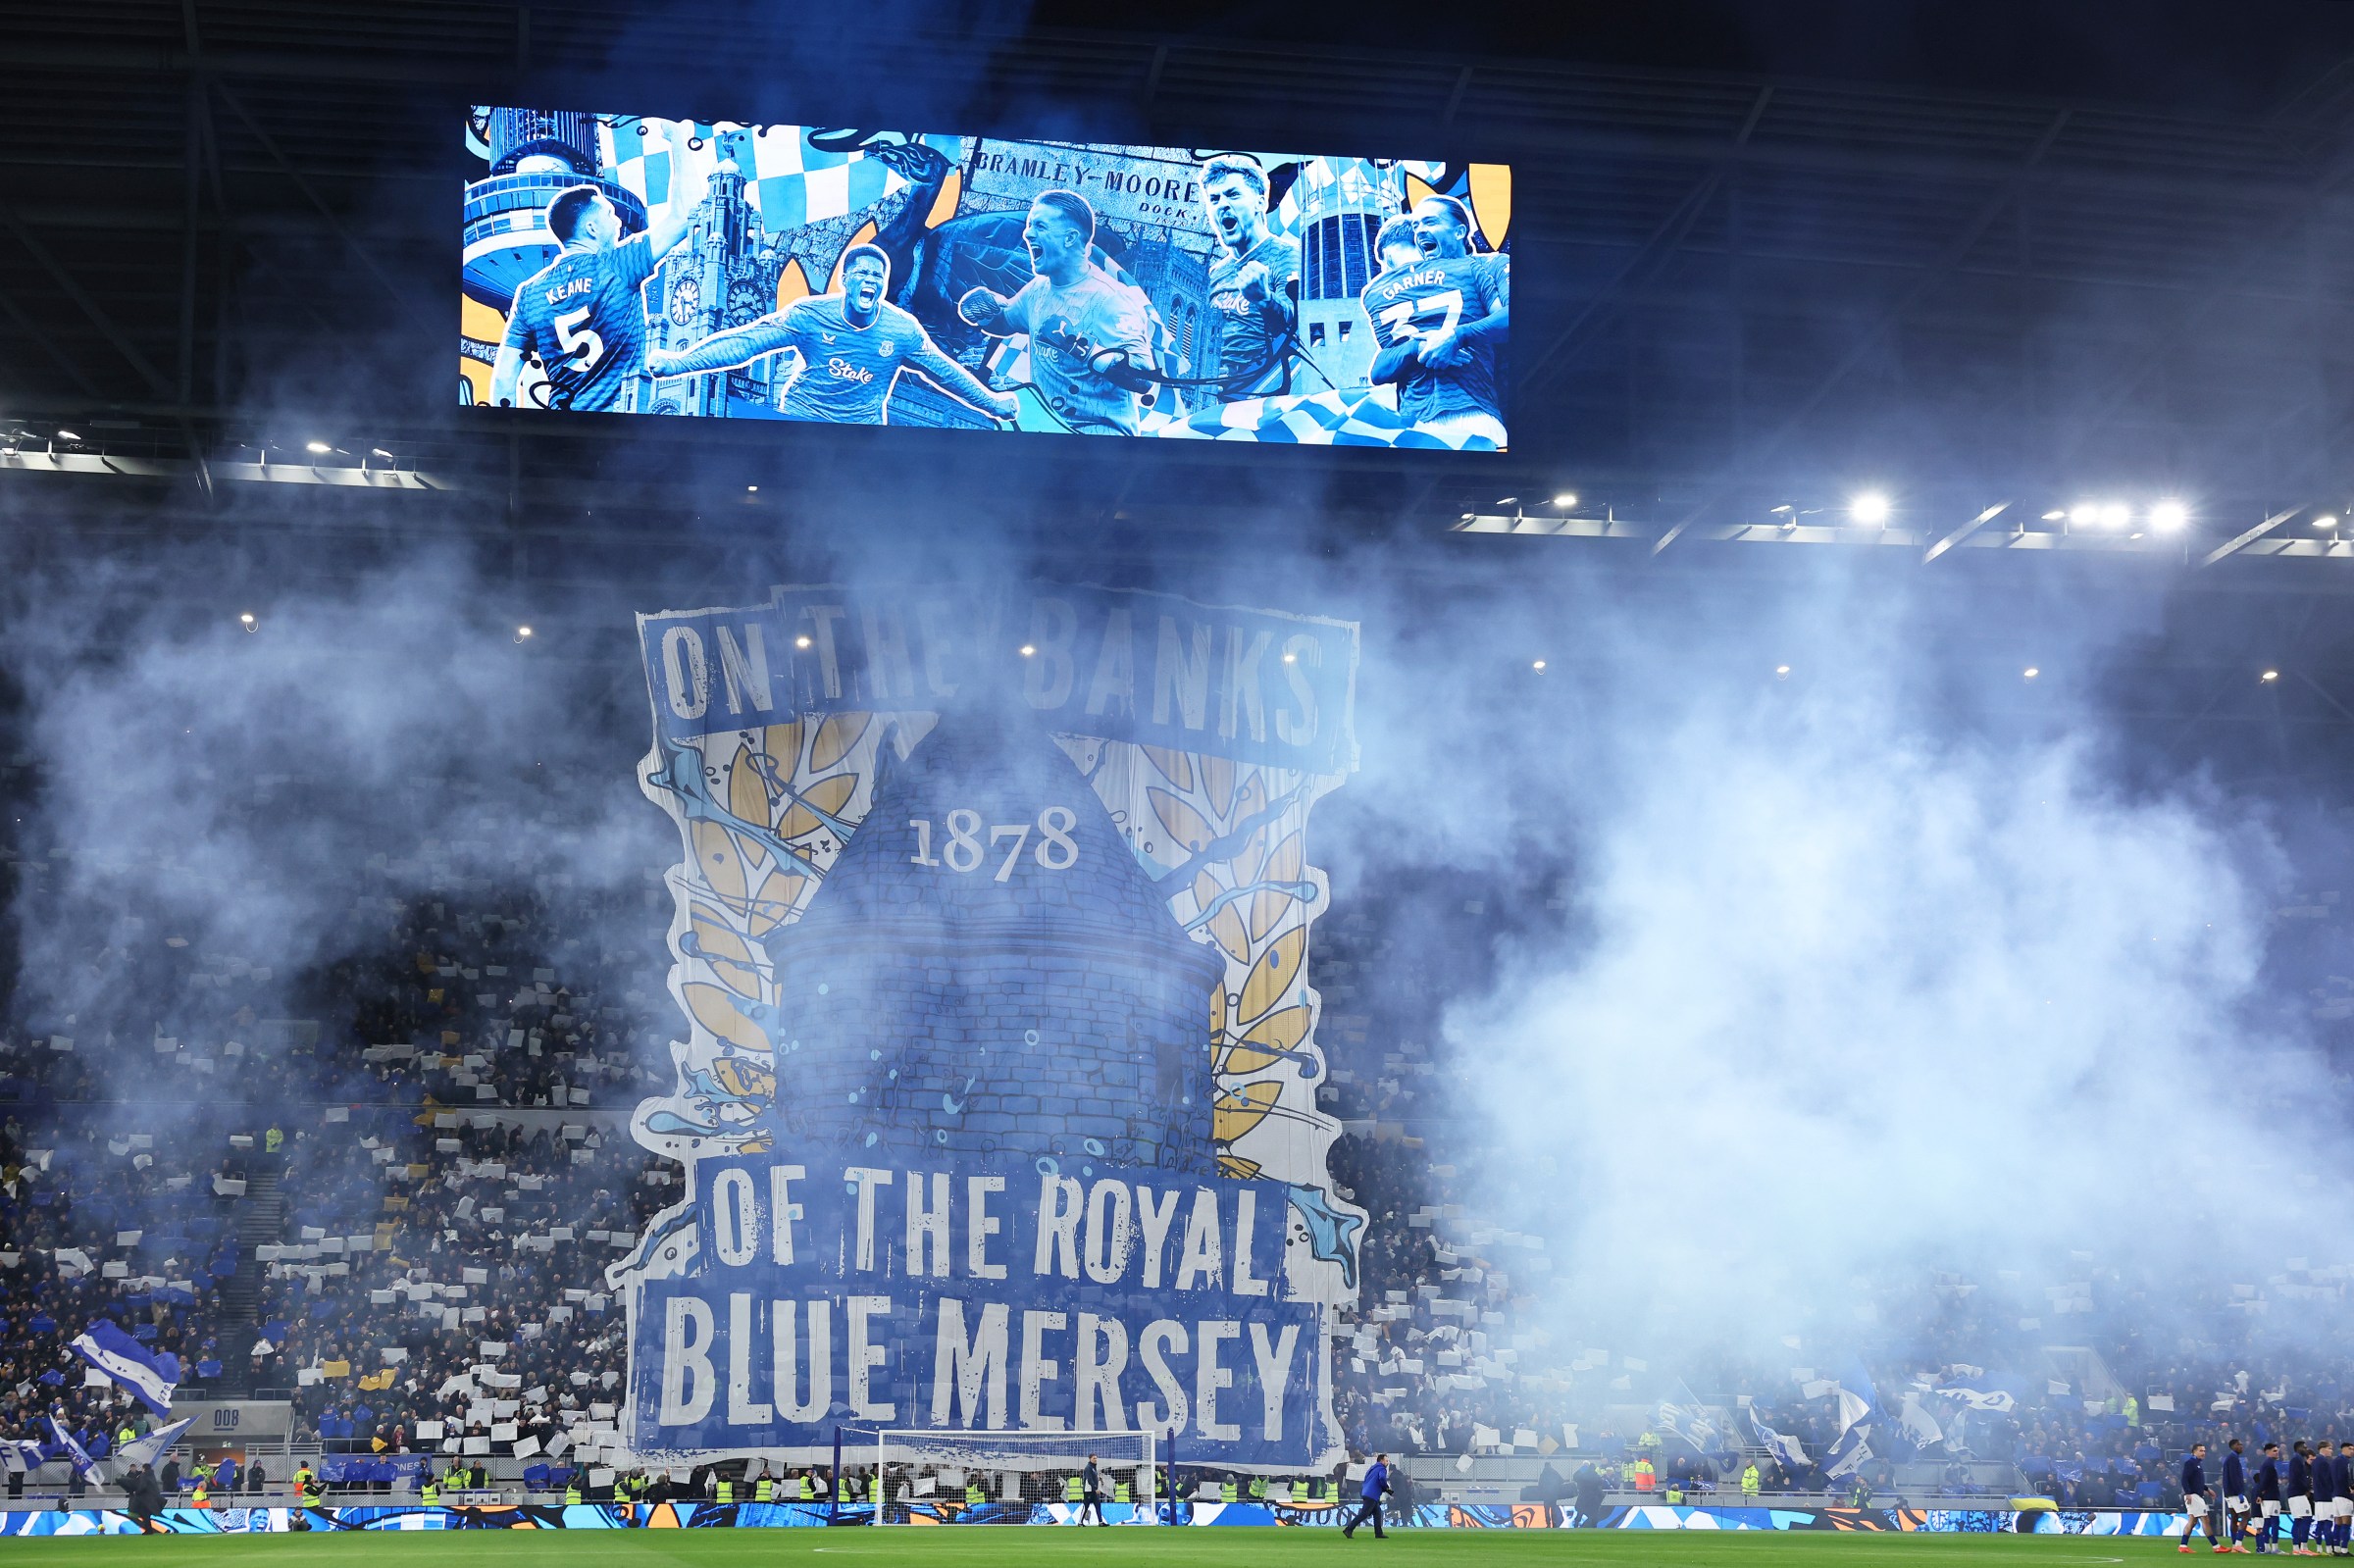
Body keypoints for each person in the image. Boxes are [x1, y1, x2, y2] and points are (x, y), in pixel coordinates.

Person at [647, 245, 1017, 427]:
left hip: (861, 433)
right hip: (803, 418)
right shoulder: (810, 315)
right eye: (864, 273)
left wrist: (992, 403)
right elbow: (744, 343)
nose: (871, 280)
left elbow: (945, 372)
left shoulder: (901, 329)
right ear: (846, 280)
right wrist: (679, 362)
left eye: (879, 276)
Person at [488, 120, 708, 413]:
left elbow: (504, 380)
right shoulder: (618, 265)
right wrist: (679, 140)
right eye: (609, 214)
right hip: (620, 429)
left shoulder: (529, 294)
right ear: (591, 228)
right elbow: (685, 217)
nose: (617, 222)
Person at [957, 190, 1155, 434]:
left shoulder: (1111, 299)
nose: (1028, 233)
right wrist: (985, 311)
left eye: (1040, 226)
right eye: (1030, 225)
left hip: (1102, 438)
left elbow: (1144, 378)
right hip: (1047, 429)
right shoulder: (1039, 289)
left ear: (1070, 238)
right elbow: (1005, 322)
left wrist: (1083, 348)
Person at [1356, 194, 1510, 447]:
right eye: (1416, 226)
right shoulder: (1417, 286)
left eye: (1430, 223)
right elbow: (1379, 368)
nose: (1421, 232)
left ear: (1460, 231)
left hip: (1486, 405)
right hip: (1423, 418)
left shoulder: (1488, 264)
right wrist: (1418, 347)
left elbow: (1513, 319)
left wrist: (1457, 336)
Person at [1196, 154, 1300, 401]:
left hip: (1259, 395)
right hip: (1208, 395)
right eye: (1214, 199)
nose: (1222, 204)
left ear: (1260, 202)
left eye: (1233, 194)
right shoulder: (1216, 273)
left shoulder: (1287, 256)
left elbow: (1297, 327)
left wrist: (1265, 299)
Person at [1342, 1453, 1391, 1540]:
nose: (1388, 1463)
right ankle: (1348, 1529)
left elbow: (1366, 1479)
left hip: (1366, 1492)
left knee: (1377, 1513)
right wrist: (1386, 1488)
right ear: (1382, 1461)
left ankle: (1378, 1533)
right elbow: (1382, 1478)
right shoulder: (1382, 1469)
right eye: (1386, 1461)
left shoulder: (1372, 1468)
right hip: (1372, 1494)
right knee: (1364, 1514)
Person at [2183, 1442, 2218, 1554]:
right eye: (2201, 1451)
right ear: (2194, 1452)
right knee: (2205, 1519)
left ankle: (2183, 1545)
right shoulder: (2190, 1463)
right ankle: (2216, 1546)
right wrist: (2188, 1493)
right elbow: (2184, 1479)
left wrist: (2207, 1489)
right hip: (2193, 1496)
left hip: (2196, 1495)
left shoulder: (2197, 1464)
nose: (2203, 1453)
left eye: (2204, 1451)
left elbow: (2197, 1482)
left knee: (2192, 1521)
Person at [2226, 1439, 2253, 1553]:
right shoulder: (2233, 1458)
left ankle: (2234, 1546)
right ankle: (2238, 1544)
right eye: (2238, 1445)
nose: (2241, 1446)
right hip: (2235, 1493)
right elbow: (2234, 1477)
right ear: (2232, 1446)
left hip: (2229, 1493)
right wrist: (2239, 1492)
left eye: (2242, 1444)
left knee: (2234, 1517)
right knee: (2247, 1515)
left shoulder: (2231, 1458)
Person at [2260, 1442, 2285, 1554]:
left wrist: (2260, 1495)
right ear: (2267, 1452)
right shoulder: (2270, 1464)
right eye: (2274, 1451)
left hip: (2266, 1498)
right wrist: (2262, 1492)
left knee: (2266, 1522)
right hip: (2271, 1497)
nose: (2277, 1452)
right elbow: (2265, 1481)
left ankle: (2267, 1547)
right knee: (2275, 1522)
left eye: (2277, 1450)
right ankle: (2275, 1548)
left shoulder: (2266, 1464)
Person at [2292, 1442, 2317, 1555]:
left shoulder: (2296, 1459)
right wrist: (2306, 1489)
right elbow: (2298, 1477)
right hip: (2299, 1494)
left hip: (2293, 1494)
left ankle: (2296, 1548)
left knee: (2298, 1520)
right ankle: (2304, 1547)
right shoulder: (2298, 1460)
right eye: (2304, 1447)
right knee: (2307, 1517)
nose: (2306, 1449)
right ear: (2298, 1448)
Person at [1078, 1453, 1106, 1526]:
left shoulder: (1093, 1468)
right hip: (1088, 1491)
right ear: (1090, 1459)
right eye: (1094, 1458)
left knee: (1098, 1505)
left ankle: (1100, 1522)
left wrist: (1099, 1479)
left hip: (1093, 1491)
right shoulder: (1088, 1467)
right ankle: (1080, 1522)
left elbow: (1094, 1477)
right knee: (1086, 1506)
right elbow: (1089, 1479)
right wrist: (1095, 1488)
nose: (1095, 1459)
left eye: (1096, 1458)